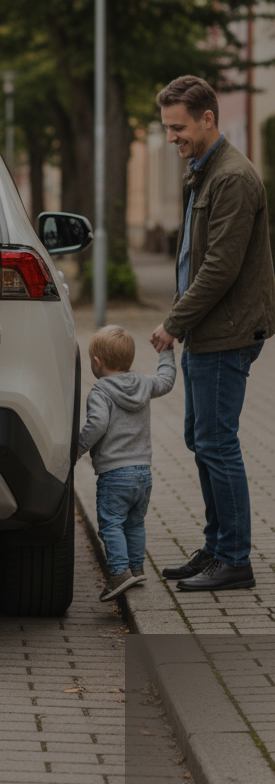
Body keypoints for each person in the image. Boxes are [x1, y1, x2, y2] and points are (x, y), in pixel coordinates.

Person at [150, 75, 275, 591]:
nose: (172, 137)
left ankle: (234, 560)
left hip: (224, 331)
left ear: (208, 118)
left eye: (179, 128)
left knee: (217, 443)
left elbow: (220, 268)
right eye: (167, 128)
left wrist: (173, 323)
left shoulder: (232, 177)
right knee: (200, 439)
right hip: (208, 328)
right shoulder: (204, 170)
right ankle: (217, 548)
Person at [78, 325, 175, 601]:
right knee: (134, 522)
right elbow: (166, 380)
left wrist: (79, 447)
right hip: (143, 472)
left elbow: (97, 423)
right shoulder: (144, 383)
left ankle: (119, 573)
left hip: (114, 473)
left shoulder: (100, 391)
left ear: (97, 363)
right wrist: (166, 351)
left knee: (111, 523)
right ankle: (135, 567)